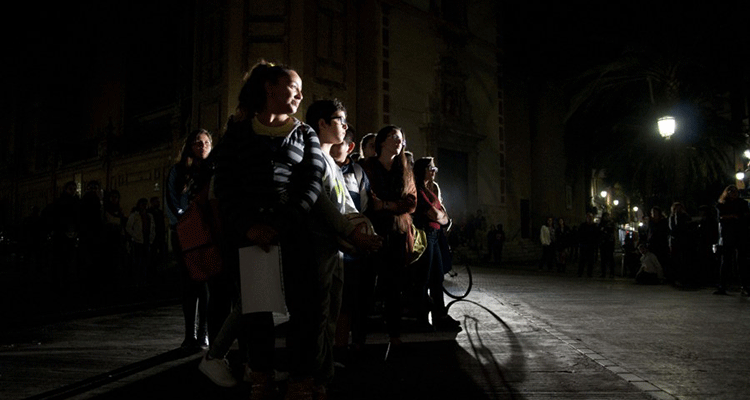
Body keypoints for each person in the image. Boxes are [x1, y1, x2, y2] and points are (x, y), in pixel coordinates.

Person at [210, 62, 376, 398]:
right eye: (293, 86)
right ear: (270, 88)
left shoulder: (304, 134)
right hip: (251, 234)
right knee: (257, 312)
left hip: (295, 233)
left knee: (308, 310)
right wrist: (250, 227)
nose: (300, 95)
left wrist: (282, 223)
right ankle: (260, 377)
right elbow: (225, 187)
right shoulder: (238, 134)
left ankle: (301, 380)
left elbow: (311, 184)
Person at [303, 99, 382, 391]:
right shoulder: (312, 160)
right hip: (317, 248)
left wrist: (365, 229)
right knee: (315, 319)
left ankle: (322, 377)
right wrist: (354, 233)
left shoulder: (334, 167)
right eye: (339, 119)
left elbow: (348, 207)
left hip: (336, 251)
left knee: (330, 317)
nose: (345, 126)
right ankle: (312, 380)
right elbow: (324, 208)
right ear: (322, 124)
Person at [362, 125, 417, 350]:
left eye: (401, 138)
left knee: (394, 286)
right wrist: (391, 205)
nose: (399, 141)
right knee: (367, 285)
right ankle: (359, 337)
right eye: (394, 137)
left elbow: (411, 202)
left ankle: (394, 334)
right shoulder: (368, 167)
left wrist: (386, 204)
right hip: (372, 230)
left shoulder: (403, 169)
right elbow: (365, 198)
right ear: (382, 141)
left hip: (397, 232)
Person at [166, 129, 217, 353]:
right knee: (188, 285)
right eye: (198, 142)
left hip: (209, 235)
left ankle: (204, 332)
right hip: (184, 234)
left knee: (205, 285)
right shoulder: (178, 171)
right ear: (190, 146)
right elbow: (171, 201)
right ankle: (189, 334)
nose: (202, 146)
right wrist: (185, 221)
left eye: (206, 142)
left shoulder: (214, 170)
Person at [329, 126, 374, 359]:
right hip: (328, 245)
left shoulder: (357, 172)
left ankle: (343, 347)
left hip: (352, 247)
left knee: (349, 299)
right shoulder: (323, 167)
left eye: (339, 143)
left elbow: (364, 207)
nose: (333, 147)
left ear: (350, 147)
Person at [411, 156, 460, 331]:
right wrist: (444, 219)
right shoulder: (418, 189)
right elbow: (434, 214)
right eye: (431, 168)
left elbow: (441, 213)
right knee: (423, 278)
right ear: (422, 170)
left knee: (437, 278)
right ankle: (421, 319)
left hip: (435, 235)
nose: (434, 171)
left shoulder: (429, 189)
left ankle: (441, 316)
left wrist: (442, 217)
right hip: (425, 235)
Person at [714, 185, 750, 295]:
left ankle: (744, 286)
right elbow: (721, 218)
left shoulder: (742, 203)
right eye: (731, 192)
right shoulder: (722, 204)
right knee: (726, 261)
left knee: (741, 261)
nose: (733, 194)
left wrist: (731, 217)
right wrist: (734, 217)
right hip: (729, 235)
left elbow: (745, 217)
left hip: (740, 234)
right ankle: (723, 285)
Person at [126, 198, 155, 284]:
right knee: (138, 261)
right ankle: (138, 278)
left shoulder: (149, 216)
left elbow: (152, 228)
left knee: (145, 260)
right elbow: (128, 228)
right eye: (143, 204)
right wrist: (135, 236)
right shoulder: (134, 216)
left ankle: (143, 278)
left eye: (145, 204)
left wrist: (151, 238)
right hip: (138, 242)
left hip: (146, 241)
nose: (144, 206)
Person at [668, 202, 692, 286]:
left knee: (683, 260)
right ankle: (677, 278)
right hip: (676, 241)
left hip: (684, 241)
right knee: (676, 260)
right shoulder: (672, 217)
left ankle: (684, 278)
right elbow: (673, 229)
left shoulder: (685, 217)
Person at [647, 206, 670, 282]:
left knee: (662, 260)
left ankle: (664, 275)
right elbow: (650, 232)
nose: (654, 214)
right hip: (653, 243)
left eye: (655, 212)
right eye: (653, 212)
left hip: (661, 243)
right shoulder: (651, 221)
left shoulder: (663, 221)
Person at [148, 196, 167, 272]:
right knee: (153, 253)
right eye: (157, 202)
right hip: (154, 236)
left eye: (158, 202)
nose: (158, 203)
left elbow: (162, 224)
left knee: (161, 254)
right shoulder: (149, 212)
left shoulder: (159, 212)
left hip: (160, 235)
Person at [577, 213, 598, 277]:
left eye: (590, 218)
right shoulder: (583, 225)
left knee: (590, 260)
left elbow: (596, 235)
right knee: (582, 260)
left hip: (591, 245)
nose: (589, 219)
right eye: (588, 218)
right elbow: (580, 234)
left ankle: (589, 273)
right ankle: (580, 272)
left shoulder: (594, 226)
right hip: (584, 245)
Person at [598, 212, 616, 278]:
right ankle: (603, 272)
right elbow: (599, 231)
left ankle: (611, 273)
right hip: (603, 243)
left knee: (610, 258)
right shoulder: (601, 223)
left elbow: (611, 230)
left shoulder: (611, 223)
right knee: (603, 259)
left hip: (609, 242)